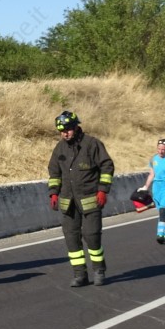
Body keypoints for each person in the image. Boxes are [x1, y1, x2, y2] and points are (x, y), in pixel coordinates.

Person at [48, 111, 114, 287]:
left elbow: (107, 166)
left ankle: (99, 270)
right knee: (71, 239)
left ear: (76, 127)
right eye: (61, 131)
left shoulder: (92, 144)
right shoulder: (59, 148)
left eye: (67, 130)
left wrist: (103, 190)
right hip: (68, 203)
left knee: (91, 236)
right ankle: (80, 275)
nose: (64, 134)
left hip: (91, 200)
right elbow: (54, 172)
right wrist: (53, 192)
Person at [138, 138, 165, 243]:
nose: (160, 151)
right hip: (157, 188)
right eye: (159, 149)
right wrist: (145, 187)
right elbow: (152, 174)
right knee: (162, 211)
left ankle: (160, 234)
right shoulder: (153, 159)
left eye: (163, 149)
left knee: (163, 210)